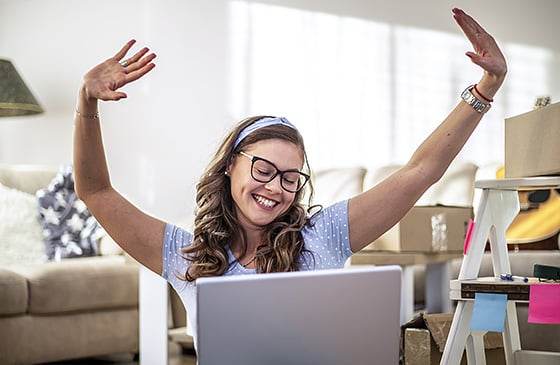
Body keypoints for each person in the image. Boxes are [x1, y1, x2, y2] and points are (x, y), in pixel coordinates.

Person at [73, 8, 506, 348]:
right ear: (230, 167)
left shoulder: (325, 236)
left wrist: (486, 87)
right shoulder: (186, 258)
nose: (274, 188)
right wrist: (87, 103)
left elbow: (419, 172)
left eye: (289, 178)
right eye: (263, 170)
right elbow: (95, 191)